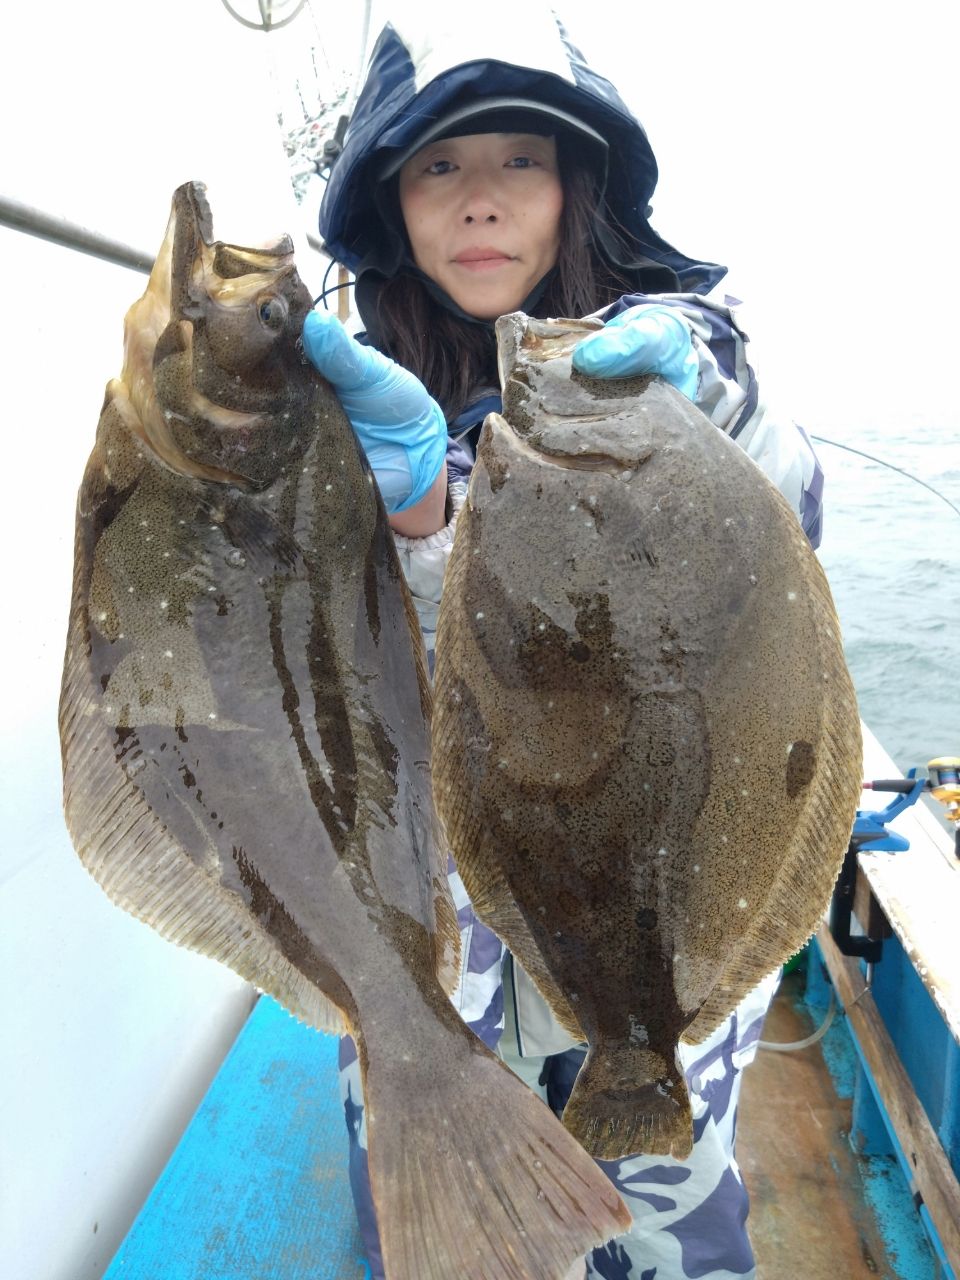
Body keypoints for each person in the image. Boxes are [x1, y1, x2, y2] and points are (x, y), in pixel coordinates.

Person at [301, 8, 823, 1278]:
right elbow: (356, 703)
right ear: (390, 202)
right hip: (444, 965)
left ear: (577, 184)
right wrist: (417, 517)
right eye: (438, 166)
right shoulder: (362, 415)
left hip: (669, 956)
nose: (479, 201)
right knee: (445, 1232)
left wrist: (704, 403)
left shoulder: (689, 372)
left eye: (518, 161)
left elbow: (789, 526)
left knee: (669, 1224)